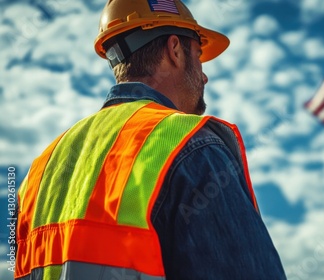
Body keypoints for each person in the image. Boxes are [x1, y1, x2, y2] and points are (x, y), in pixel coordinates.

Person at [14, 0, 286, 279]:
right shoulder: (189, 144)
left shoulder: (38, 172)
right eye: (198, 55)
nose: (204, 76)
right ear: (175, 50)